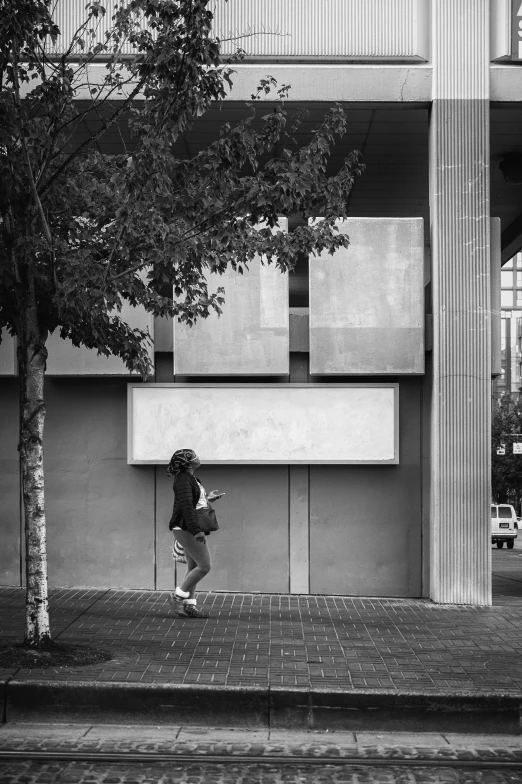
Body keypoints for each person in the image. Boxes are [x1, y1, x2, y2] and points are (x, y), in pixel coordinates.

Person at [167, 448, 223, 618]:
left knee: (193, 567)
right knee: (205, 566)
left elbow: (194, 501)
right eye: (195, 457)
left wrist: (208, 498)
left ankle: (188, 605)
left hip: (188, 527)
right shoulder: (183, 480)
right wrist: (196, 531)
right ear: (188, 462)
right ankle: (176, 598)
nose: (199, 458)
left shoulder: (191, 478)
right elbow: (186, 508)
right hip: (186, 528)